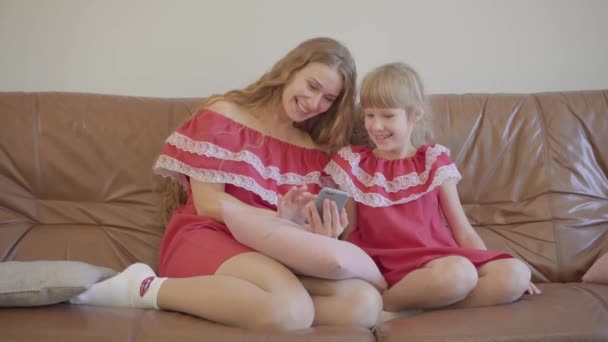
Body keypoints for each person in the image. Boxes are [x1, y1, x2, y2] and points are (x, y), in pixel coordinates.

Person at [70, 37, 382, 330]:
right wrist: (278, 220)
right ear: (290, 70)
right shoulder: (224, 116)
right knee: (290, 310)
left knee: (363, 303)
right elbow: (208, 204)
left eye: (328, 98)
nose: (314, 103)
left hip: (273, 251)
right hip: (207, 235)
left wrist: (320, 233)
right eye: (312, 86)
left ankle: (259, 301)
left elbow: (296, 225)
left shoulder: (311, 151)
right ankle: (143, 288)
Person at [324, 62, 542, 312]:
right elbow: (350, 234)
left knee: (515, 273)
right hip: (387, 265)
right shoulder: (353, 163)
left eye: (387, 115)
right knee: (458, 274)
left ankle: (425, 303)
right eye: (370, 115)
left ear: (415, 115)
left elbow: (463, 231)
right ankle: (383, 308)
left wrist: (488, 264)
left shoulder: (434, 161)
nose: (376, 126)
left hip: (439, 260)